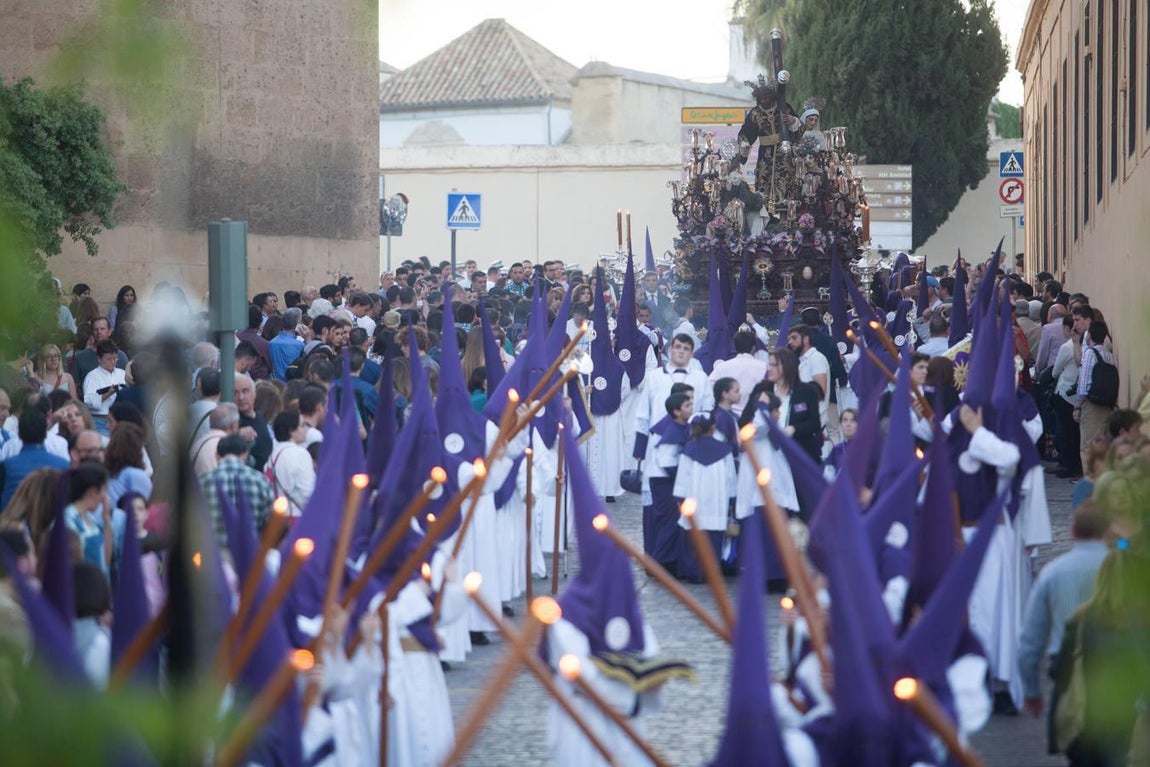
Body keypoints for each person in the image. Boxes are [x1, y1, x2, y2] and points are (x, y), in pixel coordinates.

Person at [1018, 502, 1110, 752]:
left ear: (1072, 531)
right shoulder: (1119, 567)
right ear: (1108, 531)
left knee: (1077, 750)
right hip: (1116, 666)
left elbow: (1030, 642)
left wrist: (1031, 690)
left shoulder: (1053, 572)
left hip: (1068, 670)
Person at [673, 414, 738, 580]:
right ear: (713, 428)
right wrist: (731, 501)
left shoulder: (689, 449)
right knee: (713, 538)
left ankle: (693, 571)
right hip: (717, 502)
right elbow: (731, 479)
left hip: (694, 502)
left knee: (693, 538)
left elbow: (683, 478)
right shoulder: (725, 451)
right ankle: (711, 572)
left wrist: (680, 499)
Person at [643, 391, 693, 571]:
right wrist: (683, 477)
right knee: (669, 523)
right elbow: (666, 460)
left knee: (673, 521)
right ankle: (656, 563)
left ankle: (668, 562)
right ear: (677, 411)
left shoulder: (679, 426)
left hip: (667, 480)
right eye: (687, 406)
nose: (691, 408)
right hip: (663, 482)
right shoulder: (672, 430)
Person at [199, 434, 275, 548]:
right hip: (250, 554)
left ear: (216, 456)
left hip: (214, 556)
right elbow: (271, 523)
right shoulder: (261, 480)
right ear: (245, 455)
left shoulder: (203, 481)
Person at [0, 405, 70, 509]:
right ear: (46, 435)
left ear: (19, 435)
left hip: (11, 518)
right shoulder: (64, 465)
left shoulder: (6, 466)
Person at [63, 462, 112, 574]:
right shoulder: (69, 520)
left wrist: (106, 518)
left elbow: (105, 561)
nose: (105, 496)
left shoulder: (91, 520)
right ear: (92, 492)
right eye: (104, 490)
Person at [266, 410, 316, 517]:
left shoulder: (272, 456)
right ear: (291, 431)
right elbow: (308, 492)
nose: (306, 430)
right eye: (302, 426)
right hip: (297, 517)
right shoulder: (301, 454)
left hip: (276, 519)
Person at [709, 331, 767, 418]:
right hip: (752, 418)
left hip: (729, 416)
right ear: (753, 348)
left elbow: (709, 389)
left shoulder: (722, 367)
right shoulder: (763, 367)